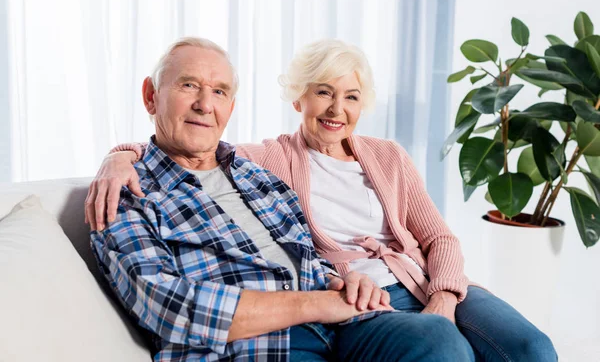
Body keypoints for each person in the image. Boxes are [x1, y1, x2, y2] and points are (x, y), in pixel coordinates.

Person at [88, 38, 557, 361]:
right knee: (439, 345)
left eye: (351, 96)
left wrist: (442, 297)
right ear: (299, 99)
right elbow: (186, 148)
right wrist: (120, 155)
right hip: (331, 313)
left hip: (415, 287)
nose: (337, 109)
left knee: (531, 350)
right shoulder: (268, 160)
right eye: (324, 93)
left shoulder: (377, 157)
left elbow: (438, 239)